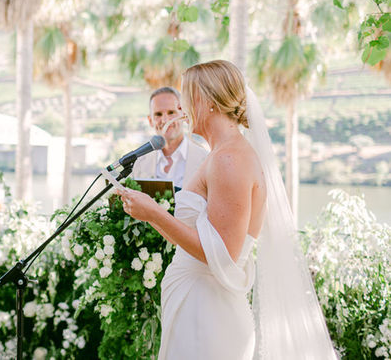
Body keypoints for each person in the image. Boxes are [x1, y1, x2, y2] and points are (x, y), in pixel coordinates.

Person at [118, 60, 337, 359]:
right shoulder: (222, 154)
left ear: (206, 102)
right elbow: (201, 238)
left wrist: (154, 213)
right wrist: (145, 211)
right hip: (196, 305)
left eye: (187, 97)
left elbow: (222, 254)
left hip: (207, 315)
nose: (182, 109)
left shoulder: (229, 159)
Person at [132, 86, 207, 188]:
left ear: (184, 115)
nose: (165, 120)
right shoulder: (140, 162)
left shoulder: (204, 160)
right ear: (150, 120)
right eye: (158, 114)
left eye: (171, 112)